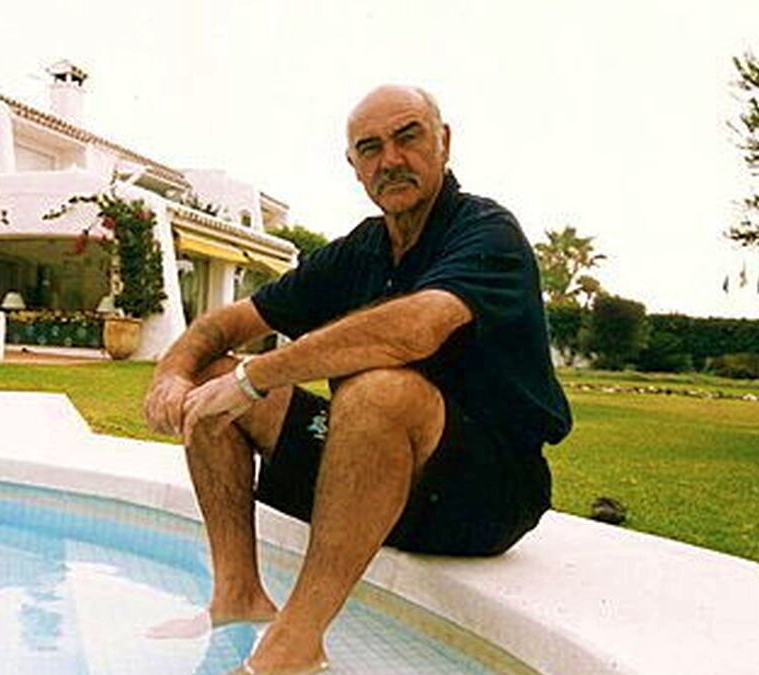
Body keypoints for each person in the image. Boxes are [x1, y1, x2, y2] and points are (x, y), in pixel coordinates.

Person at [143, 84, 571, 675]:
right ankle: (237, 595)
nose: (390, 160)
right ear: (355, 166)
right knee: (212, 385)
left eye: (408, 137)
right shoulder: (360, 250)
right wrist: (173, 374)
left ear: (444, 143)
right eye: (370, 148)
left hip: (483, 494)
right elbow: (229, 323)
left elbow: (414, 330)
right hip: (370, 472)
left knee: (378, 389)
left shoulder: (486, 231)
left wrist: (254, 377)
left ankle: (296, 646)